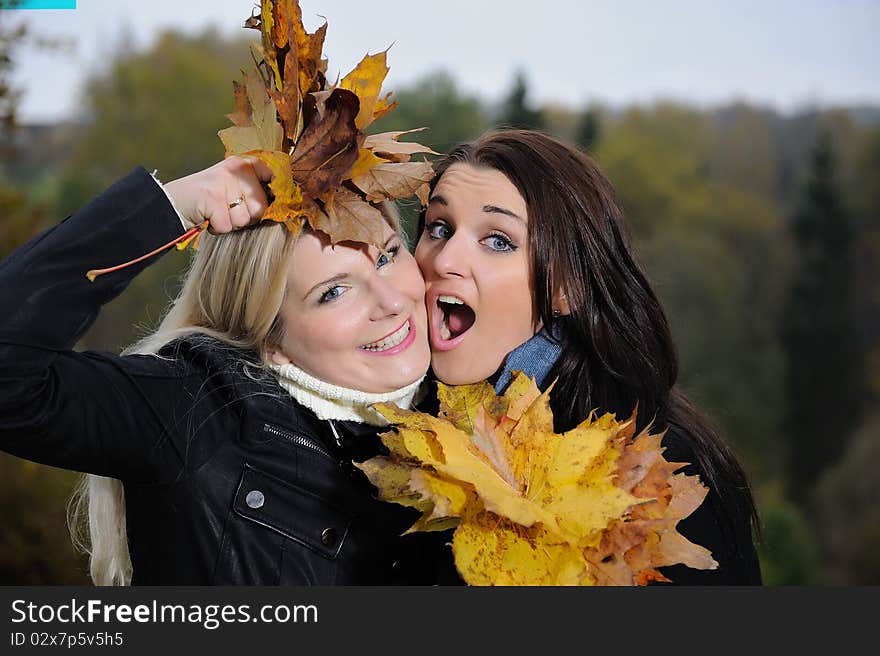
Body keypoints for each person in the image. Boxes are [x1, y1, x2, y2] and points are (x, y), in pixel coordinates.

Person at [0, 155, 443, 585]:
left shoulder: (472, 415)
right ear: (272, 342)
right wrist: (170, 206)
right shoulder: (199, 414)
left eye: (386, 256)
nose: (391, 302)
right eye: (334, 292)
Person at [414, 129, 762, 585]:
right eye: (439, 228)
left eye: (498, 240)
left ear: (568, 287)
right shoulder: (404, 438)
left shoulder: (647, 472)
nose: (444, 260)